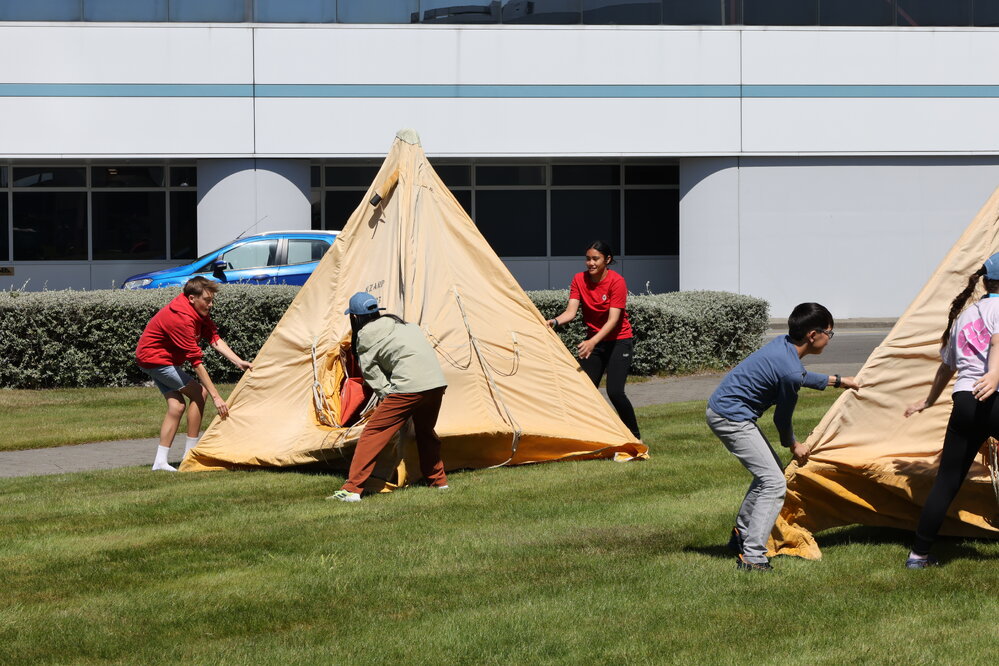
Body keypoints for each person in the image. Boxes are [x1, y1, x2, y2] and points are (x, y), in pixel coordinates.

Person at [706, 303, 858, 572]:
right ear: (813, 335)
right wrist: (794, 444)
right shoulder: (788, 368)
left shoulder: (784, 345)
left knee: (769, 474)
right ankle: (753, 557)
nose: (829, 339)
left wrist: (838, 380)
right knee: (775, 483)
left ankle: (741, 534)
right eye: (829, 334)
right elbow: (782, 419)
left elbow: (799, 375)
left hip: (727, 410)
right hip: (730, 417)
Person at [903, 253, 999, 568]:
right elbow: (998, 343)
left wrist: (928, 401)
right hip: (992, 397)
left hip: (964, 403)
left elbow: (947, 367)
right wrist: (995, 375)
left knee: (947, 479)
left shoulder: (965, 315)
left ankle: (918, 554)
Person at [327, 292, 449, 502]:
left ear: (354, 317)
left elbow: (374, 377)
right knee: (425, 432)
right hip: (436, 383)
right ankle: (439, 482)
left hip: (408, 387)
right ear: (377, 312)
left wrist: (391, 403)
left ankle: (352, 489)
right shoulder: (405, 325)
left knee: (373, 434)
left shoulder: (364, 336)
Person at [135, 276, 252, 471]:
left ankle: (160, 462)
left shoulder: (198, 312)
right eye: (207, 300)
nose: (211, 304)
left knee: (177, 405)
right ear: (191, 298)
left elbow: (214, 338)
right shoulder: (182, 318)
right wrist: (216, 397)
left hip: (155, 360)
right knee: (200, 393)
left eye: (212, 300)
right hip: (155, 360)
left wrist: (238, 361)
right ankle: (190, 455)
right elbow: (196, 362)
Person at [548, 240, 641, 440]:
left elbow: (613, 320)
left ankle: (635, 437)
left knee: (615, 392)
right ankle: (592, 435)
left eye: (595, 259)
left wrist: (592, 342)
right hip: (595, 342)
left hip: (619, 341)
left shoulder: (617, 282)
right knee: (585, 392)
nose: (590, 263)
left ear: (607, 260)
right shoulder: (579, 280)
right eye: (588, 259)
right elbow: (570, 312)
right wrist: (554, 322)